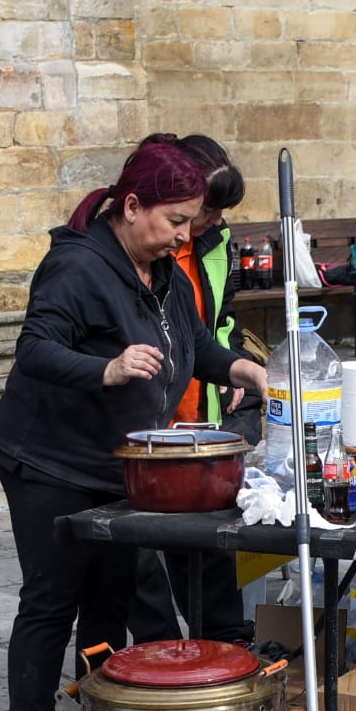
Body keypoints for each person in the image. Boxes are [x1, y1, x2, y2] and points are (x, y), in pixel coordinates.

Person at [0, 142, 267, 711]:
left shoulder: (160, 268)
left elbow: (194, 344)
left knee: (108, 605)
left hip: (117, 464)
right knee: (51, 604)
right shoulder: (78, 265)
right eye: (174, 220)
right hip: (48, 462)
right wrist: (105, 370)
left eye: (189, 223)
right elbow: (35, 347)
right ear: (132, 206)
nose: (183, 235)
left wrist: (240, 370)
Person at [124, 133, 256, 649]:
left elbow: (214, 323)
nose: (215, 220)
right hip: (147, 417)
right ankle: (160, 651)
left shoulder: (213, 243)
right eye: (209, 210)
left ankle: (226, 644)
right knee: (142, 561)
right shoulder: (146, 247)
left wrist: (236, 367)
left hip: (201, 410)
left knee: (209, 546)